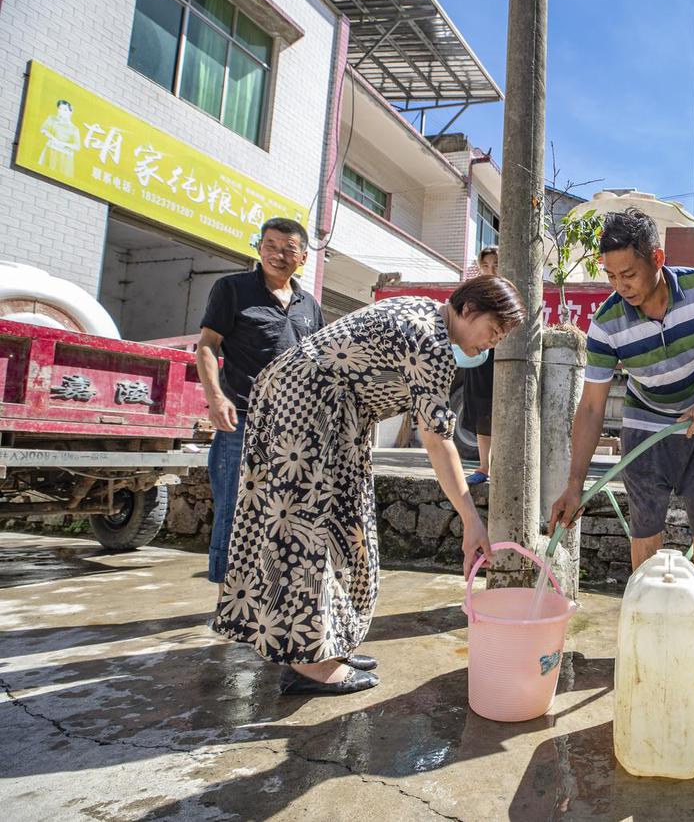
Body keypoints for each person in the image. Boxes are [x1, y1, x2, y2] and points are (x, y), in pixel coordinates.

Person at [211, 276, 524, 695]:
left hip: (327, 412)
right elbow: (437, 440)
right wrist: (471, 519)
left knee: (347, 526)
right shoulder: (430, 341)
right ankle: (308, 662)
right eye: (494, 332)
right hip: (307, 411)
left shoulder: (426, 314)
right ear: (468, 310)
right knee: (307, 528)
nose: (492, 344)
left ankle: (326, 642)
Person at [548, 208, 694, 669]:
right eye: (612, 275)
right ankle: (649, 626)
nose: (622, 285)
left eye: (630, 274)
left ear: (658, 258)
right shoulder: (606, 323)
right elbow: (593, 406)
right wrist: (575, 485)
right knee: (646, 525)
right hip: (644, 424)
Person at [196, 218, 325, 586]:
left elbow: (319, 362)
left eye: (288, 248)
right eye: (270, 245)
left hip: (292, 426)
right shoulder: (232, 289)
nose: (278, 254)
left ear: (302, 258)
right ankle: (225, 596)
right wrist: (215, 397)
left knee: (282, 510)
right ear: (259, 248)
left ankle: (262, 592)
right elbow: (207, 345)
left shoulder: (309, 305)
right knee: (233, 509)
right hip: (241, 419)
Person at [461, 246, 498, 485]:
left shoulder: (511, 290)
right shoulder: (474, 293)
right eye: (485, 266)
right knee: (481, 411)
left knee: (503, 413)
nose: (490, 270)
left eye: (495, 265)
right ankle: (484, 467)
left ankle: (500, 466)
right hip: (479, 356)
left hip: (505, 357)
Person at [38, 99, 80, 177]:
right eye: (60, 109)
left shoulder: (74, 128)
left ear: (70, 112)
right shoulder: (52, 119)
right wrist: (53, 139)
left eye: (65, 110)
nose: (61, 111)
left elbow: (77, 146)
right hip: (50, 150)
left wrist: (63, 144)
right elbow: (43, 129)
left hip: (65, 156)